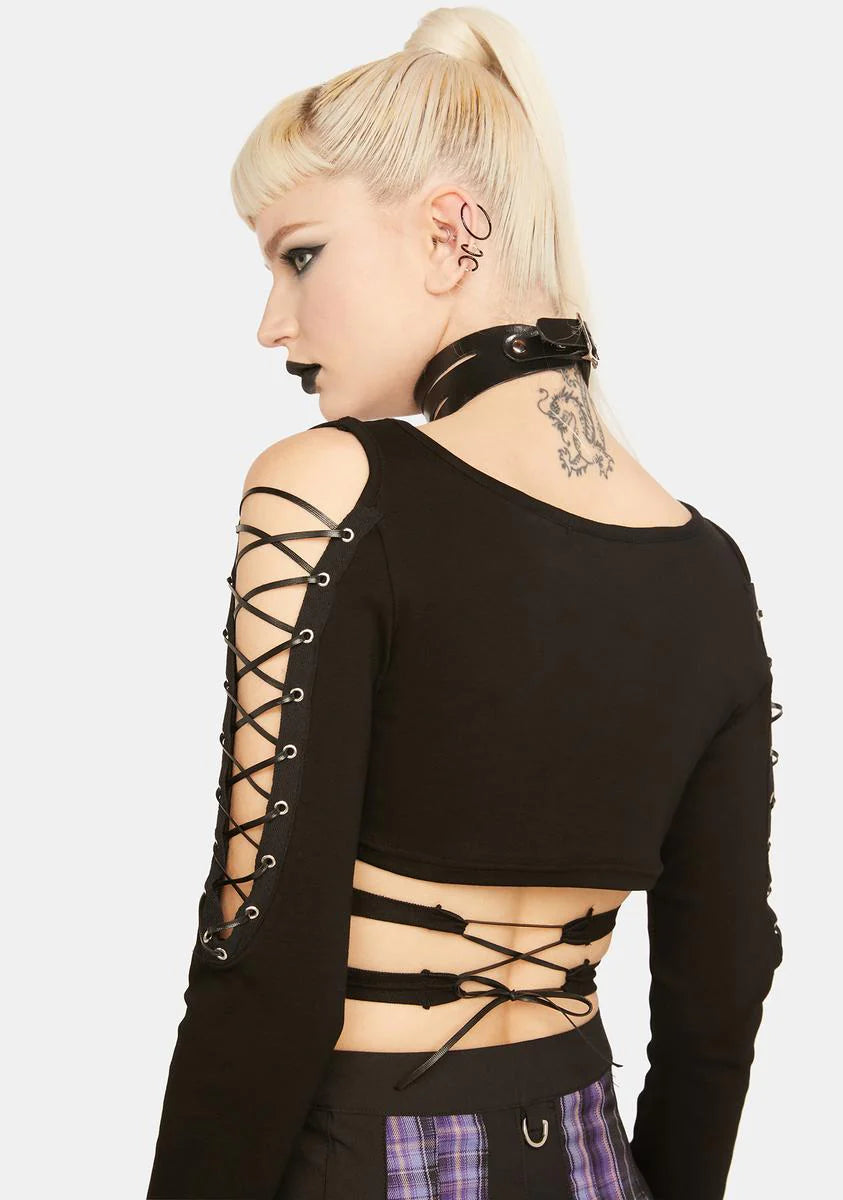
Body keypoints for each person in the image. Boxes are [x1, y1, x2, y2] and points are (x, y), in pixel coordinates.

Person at [145, 8, 782, 1199]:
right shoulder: (711, 568)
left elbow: (262, 962)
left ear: (449, 232)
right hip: (594, 1163)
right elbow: (724, 987)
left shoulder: (331, 487)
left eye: (299, 255)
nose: (273, 323)